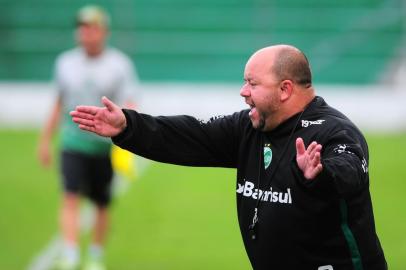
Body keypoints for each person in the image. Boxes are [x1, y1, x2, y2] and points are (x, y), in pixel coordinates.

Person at [70, 44, 387, 270]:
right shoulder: (249, 127)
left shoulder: (334, 131)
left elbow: (350, 170)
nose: (243, 91)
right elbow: (189, 135)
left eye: (252, 82)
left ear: (285, 89)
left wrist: (320, 174)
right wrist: (128, 126)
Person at [38, 5, 139, 270]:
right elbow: (58, 103)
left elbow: (130, 103)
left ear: (104, 32)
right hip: (72, 143)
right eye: (82, 28)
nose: (86, 33)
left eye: (92, 28)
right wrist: (45, 140)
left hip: (103, 147)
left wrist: (129, 139)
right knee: (69, 196)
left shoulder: (119, 64)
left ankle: (95, 256)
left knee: (101, 204)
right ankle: (70, 256)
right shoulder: (65, 63)